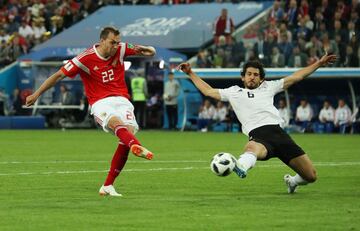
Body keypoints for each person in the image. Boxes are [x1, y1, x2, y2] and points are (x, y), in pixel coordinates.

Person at [177, 52, 336, 193]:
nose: (252, 77)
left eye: (255, 74)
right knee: (251, 148)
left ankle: (292, 181)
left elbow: (296, 77)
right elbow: (208, 91)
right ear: (243, 77)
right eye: (249, 74)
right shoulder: (234, 92)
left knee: (311, 176)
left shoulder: (269, 87)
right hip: (258, 135)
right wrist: (190, 72)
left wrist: (319, 63)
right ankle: (240, 166)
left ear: (261, 79)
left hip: (279, 134)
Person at [25, 26, 156, 197]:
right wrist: (36, 94)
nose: (115, 46)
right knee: (117, 124)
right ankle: (135, 145)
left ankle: (108, 186)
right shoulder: (84, 59)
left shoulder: (122, 49)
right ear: (102, 41)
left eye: (117, 42)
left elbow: (150, 52)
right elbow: (58, 75)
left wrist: (148, 49)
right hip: (100, 102)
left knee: (128, 132)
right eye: (112, 42)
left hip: (123, 100)